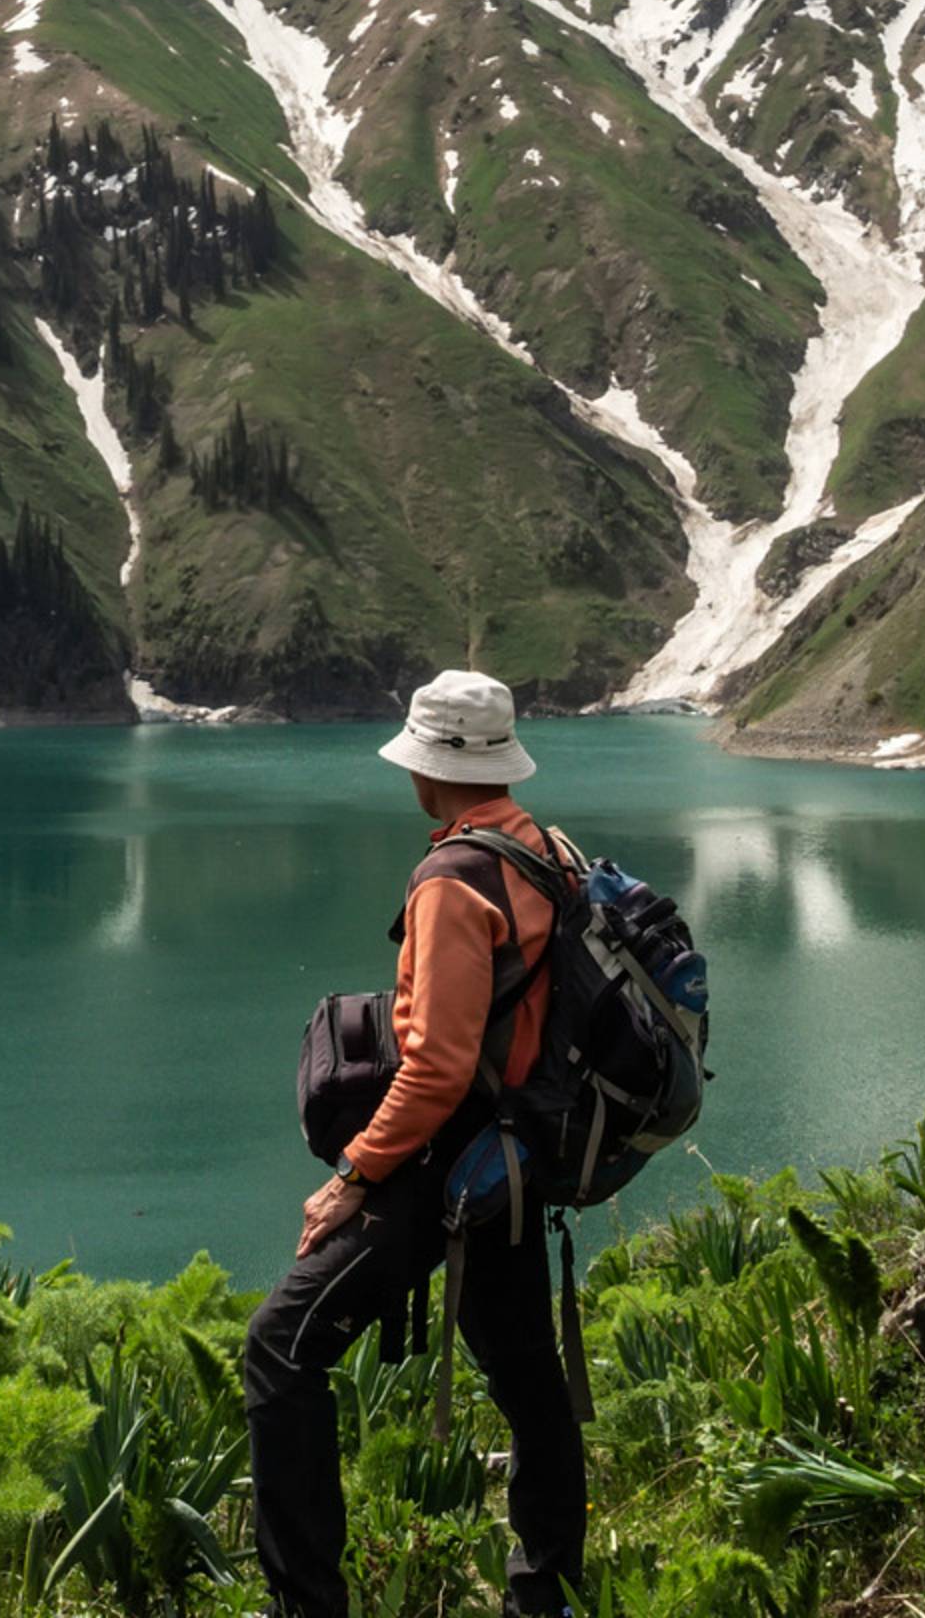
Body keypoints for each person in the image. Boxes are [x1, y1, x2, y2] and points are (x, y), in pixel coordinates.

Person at [242, 668, 584, 1616]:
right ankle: (546, 1592)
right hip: (515, 1161)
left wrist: (353, 1174)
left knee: (280, 1350)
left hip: (445, 1164)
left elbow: (435, 1068)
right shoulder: (541, 848)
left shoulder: (452, 876)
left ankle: (305, 1606)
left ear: (427, 771)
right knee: (523, 1370)